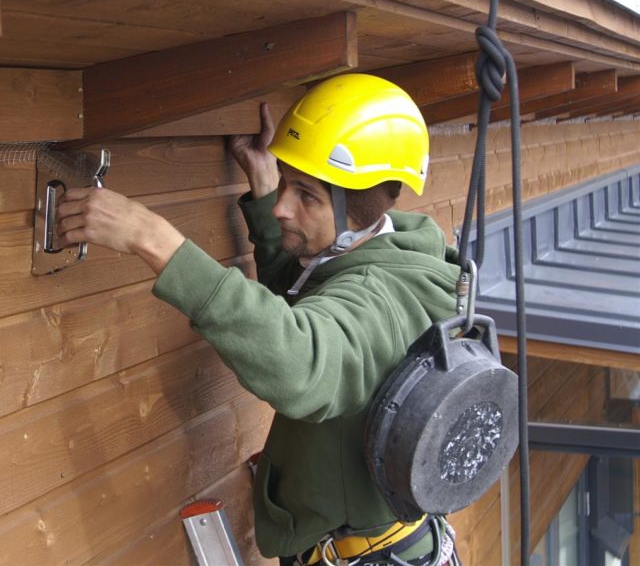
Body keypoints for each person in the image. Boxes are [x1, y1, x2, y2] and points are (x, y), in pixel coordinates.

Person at [56, 73, 463, 565]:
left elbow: (301, 359)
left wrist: (154, 238)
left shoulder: (382, 298)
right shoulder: (387, 251)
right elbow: (305, 296)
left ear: (355, 210)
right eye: (288, 186)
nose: (284, 208)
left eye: (306, 196)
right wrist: (270, 187)